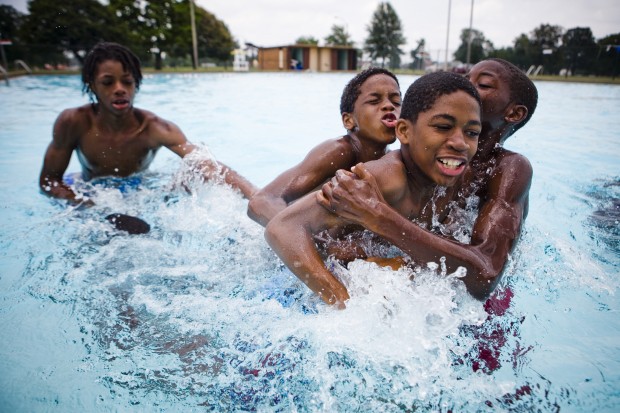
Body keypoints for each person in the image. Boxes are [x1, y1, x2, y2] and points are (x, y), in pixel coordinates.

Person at [317, 58, 538, 301]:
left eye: (483, 84)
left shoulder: (508, 169)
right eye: (467, 79)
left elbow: (485, 275)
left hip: (476, 302)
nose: (468, 87)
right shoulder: (419, 159)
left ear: (514, 113)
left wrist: (378, 217)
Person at [265, 71, 483, 307]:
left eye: (472, 133)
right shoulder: (370, 172)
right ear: (403, 131)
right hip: (298, 250)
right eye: (442, 126)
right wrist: (343, 302)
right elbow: (282, 226)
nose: (460, 142)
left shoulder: (442, 177)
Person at [39, 42, 256, 206]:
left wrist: (257, 196)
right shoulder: (73, 122)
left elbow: (207, 164)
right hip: (89, 189)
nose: (119, 88)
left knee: (191, 176)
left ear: (136, 84)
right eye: (107, 82)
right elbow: (49, 180)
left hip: (139, 189)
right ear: (92, 86)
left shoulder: (154, 128)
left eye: (127, 81)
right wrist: (86, 205)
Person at [247, 67, 401, 226]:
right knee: (251, 191)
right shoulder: (339, 151)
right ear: (349, 120)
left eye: (396, 102)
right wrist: (310, 241)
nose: (389, 106)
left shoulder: (393, 164)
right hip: (289, 216)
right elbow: (262, 200)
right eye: (374, 101)